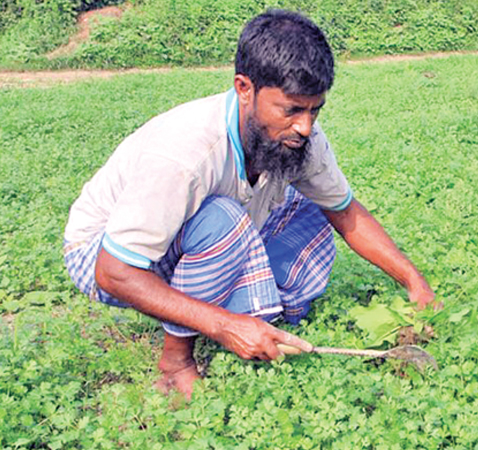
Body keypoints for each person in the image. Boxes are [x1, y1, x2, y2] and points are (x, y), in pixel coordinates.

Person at [62, 9, 436, 400]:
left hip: (191, 237)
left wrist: (414, 281)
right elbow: (114, 271)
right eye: (291, 109)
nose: (305, 126)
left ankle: (245, 311)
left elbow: (343, 210)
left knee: (308, 210)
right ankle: (176, 361)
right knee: (223, 218)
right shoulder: (186, 153)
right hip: (103, 255)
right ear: (244, 88)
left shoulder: (299, 137)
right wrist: (223, 325)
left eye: (315, 109)